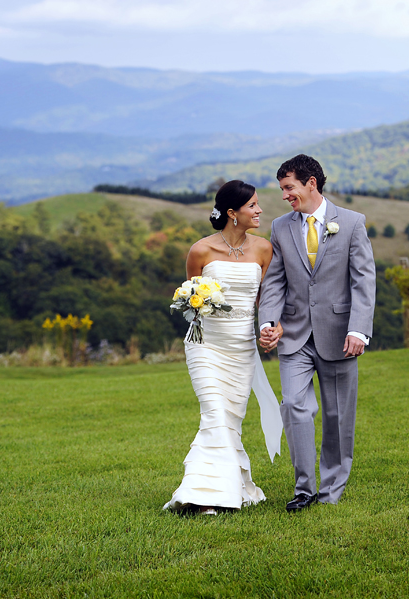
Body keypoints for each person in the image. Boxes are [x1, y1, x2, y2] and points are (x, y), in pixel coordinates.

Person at [259, 154, 375, 512]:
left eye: (289, 187)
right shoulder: (280, 227)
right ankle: (304, 488)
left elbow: (363, 280)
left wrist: (358, 329)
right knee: (293, 405)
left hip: (340, 333)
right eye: (282, 189)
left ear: (311, 183)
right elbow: (275, 281)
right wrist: (267, 322)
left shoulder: (353, 223)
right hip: (293, 334)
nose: (284, 196)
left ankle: (332, 488)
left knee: (338, 416)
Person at [164, 180, 283, 515]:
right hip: (205, 346)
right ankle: (203, 497)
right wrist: (193, 304)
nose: (259, 210)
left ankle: (228, 487)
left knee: (230, 421)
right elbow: (189, 300)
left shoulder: (263, 250)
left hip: (242, 349)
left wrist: (273, 328)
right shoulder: (200, 251)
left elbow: (268, 301)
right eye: (253, 206)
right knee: (214, 414)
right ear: (232, 213)